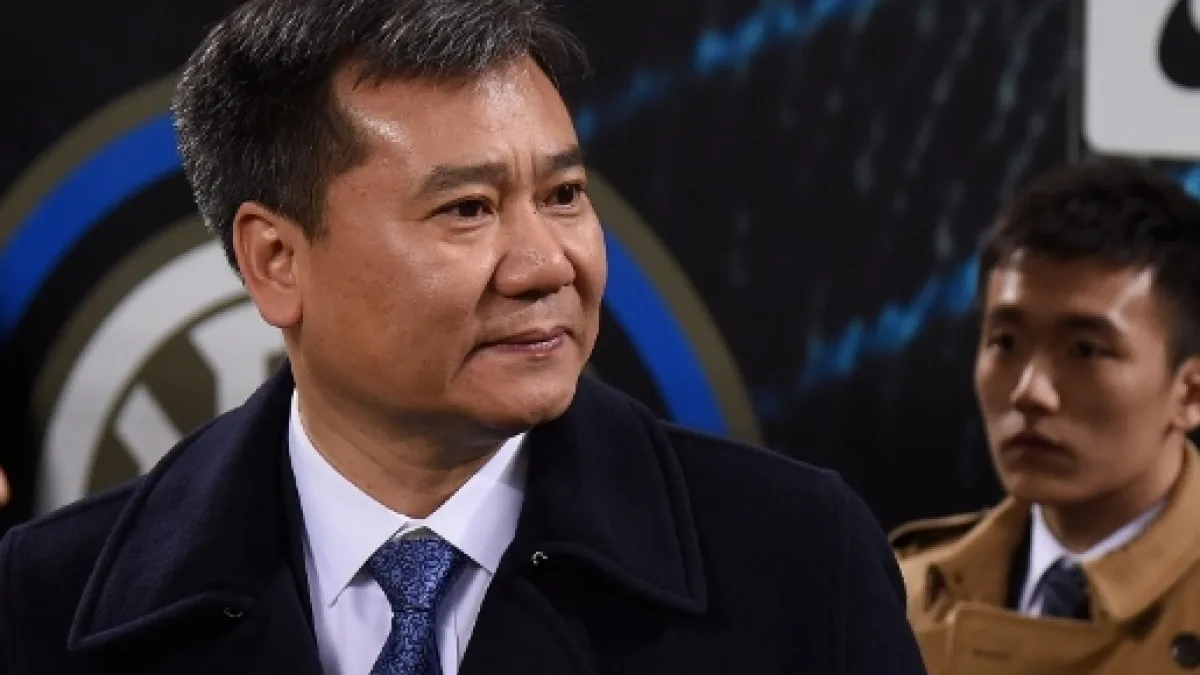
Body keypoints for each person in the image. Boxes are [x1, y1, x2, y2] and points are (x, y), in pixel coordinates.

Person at [0, 1, 926, 673]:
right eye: (468, 208)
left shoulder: (798, 559)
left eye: (563, 195)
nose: (546, 264)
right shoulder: (44, 600)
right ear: (276, 261)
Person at [891, 158, 1200, 674]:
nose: (1031, 393)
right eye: (1005, 342)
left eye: (1085, 350)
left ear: (1190, 392)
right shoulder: (905, 600)